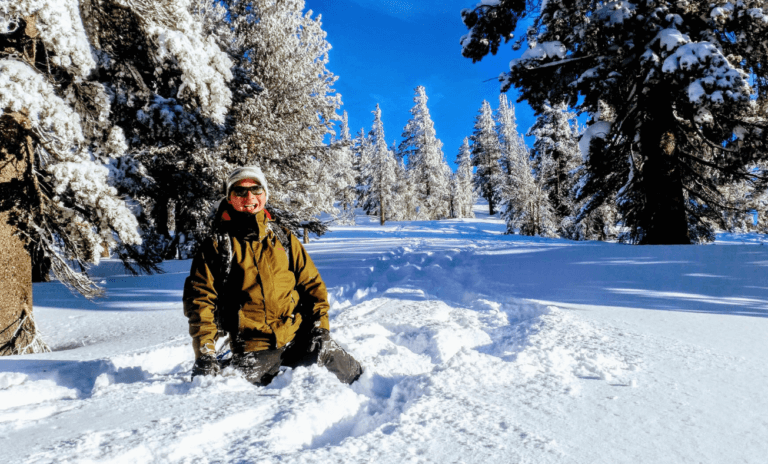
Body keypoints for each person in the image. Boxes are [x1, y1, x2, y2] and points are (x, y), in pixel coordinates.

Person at [183, 166, 362, 385]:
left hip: (298, 337)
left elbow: (312, 286)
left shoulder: (283, 238)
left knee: (354, 376)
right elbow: (200, 301)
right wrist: (205, 354)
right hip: (253, 348)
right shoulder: (217, 245)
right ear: (230, 198)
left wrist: (320, 329)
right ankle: (224, 363)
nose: (249, 197)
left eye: (256, 190)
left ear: (265, 195)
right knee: (243, 397)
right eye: (240, 191)